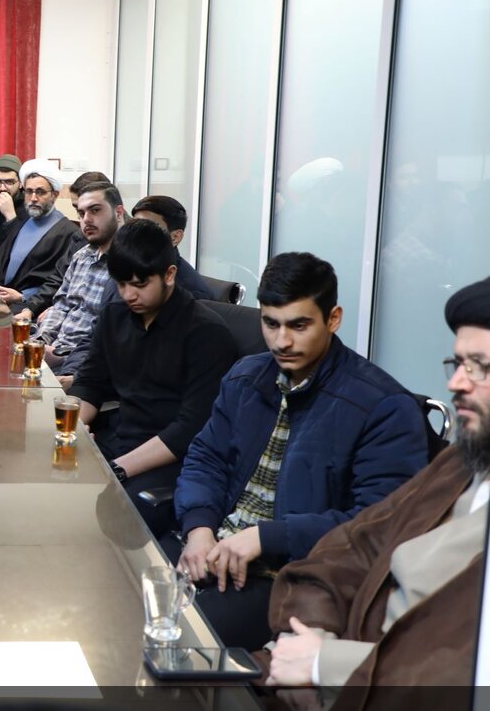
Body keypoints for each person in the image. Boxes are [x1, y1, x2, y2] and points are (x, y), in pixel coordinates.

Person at [171, 252, 429, 651]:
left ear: (333, 319)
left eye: (299, 325)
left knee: (175, 642)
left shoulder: (382, 406)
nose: (282, 341)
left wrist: (269, 537)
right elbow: (207, 457)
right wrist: (199, 527)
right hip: (214, 549)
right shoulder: (246, 377)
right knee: (120, 593)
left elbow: (380, 523)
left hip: (291, 576)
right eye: (271, 324)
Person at [263, 276, 490, 692]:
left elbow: (465, 675)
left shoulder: (380, 403)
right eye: (459, 364)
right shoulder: (460, 464)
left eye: (481, 367)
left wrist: (325, 664)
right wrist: (310, 638)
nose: (456, 383)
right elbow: (351, 546)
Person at [69, 219, 237, 537]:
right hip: (119, 440)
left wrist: (117, 468)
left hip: (171, 459)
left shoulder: (206, 333)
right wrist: (72, 428)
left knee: (113, 516)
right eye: (121, 284)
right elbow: (91, 382)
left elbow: (191, 428)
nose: (128, 295)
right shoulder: (114, 316)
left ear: (169, 275)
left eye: (140, 284)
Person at [16, 181, 125, 384]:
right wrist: (41, 342)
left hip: (84, 362)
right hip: (54, 350)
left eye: (95, 210)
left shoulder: (128, 263)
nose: (86, 220)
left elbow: (111, 333)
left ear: (118, 212)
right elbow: (61, 306)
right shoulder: (82, 256)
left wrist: (61, 355)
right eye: (81, 213)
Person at [0, 158, 85, 311]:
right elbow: (0, 261)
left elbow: (60, 281)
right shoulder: (22, 221)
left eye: (40, 192)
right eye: (29, 191)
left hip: (32, 307)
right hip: (1, 301)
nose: (33, 198)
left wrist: (23, 296)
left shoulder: (68, 232)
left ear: (54, 195)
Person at [128, 195, 215, 302]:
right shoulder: (131, 263)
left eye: (149, 228)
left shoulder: (190, 294)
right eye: (134, 225)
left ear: (175, 237)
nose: (137, 234)